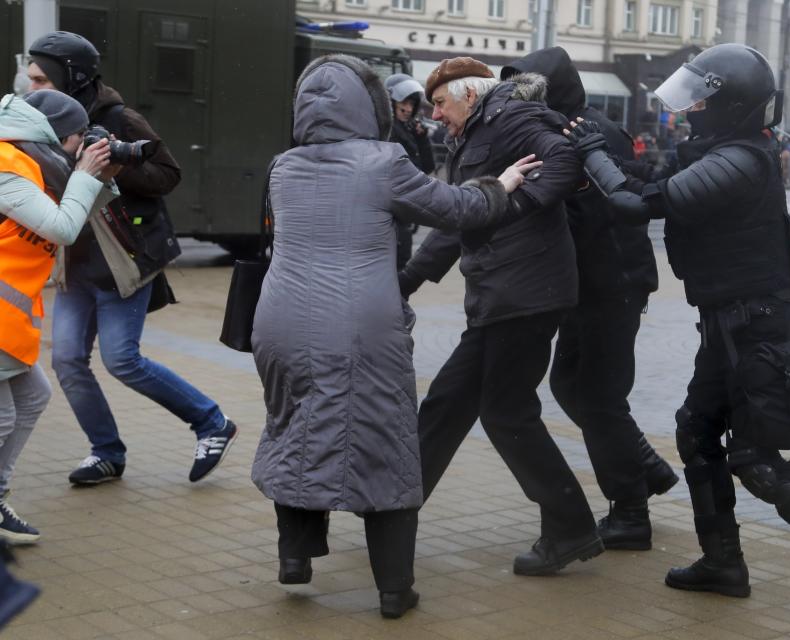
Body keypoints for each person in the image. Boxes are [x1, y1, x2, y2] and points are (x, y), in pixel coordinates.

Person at [566, 43, 790, 632]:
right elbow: (650, 176)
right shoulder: (721, 150)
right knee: (696, 432)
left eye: (699, 99)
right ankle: (723, 562)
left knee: (754, 458)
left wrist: (592, 151)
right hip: (732, 321)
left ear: (729, 106)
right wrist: (606, 147)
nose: (688, 110)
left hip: (759, 325)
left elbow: (633, 202)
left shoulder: (742, 161)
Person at [250, 54, 538, 618]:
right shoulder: (383, 162)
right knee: (382, 441)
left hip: (279, 321)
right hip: (357, 325)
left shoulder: (283, 166)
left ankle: (296, 555)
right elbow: (458, 209)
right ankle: (393, 589)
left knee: (296, 427)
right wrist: (500, 184)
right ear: (372, 107)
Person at [398, 57, 603, 576]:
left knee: (506, 413)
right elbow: (459, 218)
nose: (435, 115)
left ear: (469, 94)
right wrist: (409, 279)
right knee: (447, 403)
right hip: (498, 296)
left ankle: (570, 527)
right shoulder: (472, 134)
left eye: (440, 104)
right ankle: (394, 509)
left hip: (528, 292)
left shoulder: (510, 115)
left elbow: (565, 158)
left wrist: (517, 204)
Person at [27, 31, 238, 485]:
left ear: (71, 76)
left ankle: (211, 422)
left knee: (122, 359)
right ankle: (106, 452)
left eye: (41, 79)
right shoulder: (36, 122)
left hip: (124, 255)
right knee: (66, 359)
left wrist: (118, 166)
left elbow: (168, 174)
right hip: (74, 261)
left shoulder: (119, 117)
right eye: (30, 79)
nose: (32, 88)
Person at [499, 47, 678, 552]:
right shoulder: (556, 130)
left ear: (553, 90)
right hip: (588, 286)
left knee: (599, 398)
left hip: (612, 284)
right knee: (571, 386)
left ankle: (630, 511)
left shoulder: (590, 133)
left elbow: (611, 210)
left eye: (528, 89)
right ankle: (642, 466)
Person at [1, 90, 116, 541]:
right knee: (5, 418)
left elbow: (80, 213)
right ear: (52, 136)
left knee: (32, 397)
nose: (77, 150)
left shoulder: (33, 165)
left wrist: (99, 175)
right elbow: (63, 229)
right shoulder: (8, 166)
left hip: (9, 322)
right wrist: (84, 175)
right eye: (76, 140)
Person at [384, 73, 435, 270]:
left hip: (405, 211)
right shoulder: (387, 131)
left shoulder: (408, 130)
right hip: (391, 215)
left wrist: (421, 138)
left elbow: (426, 167)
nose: (408, 108)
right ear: (391, 102)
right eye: (403, 102)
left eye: (412, 104)